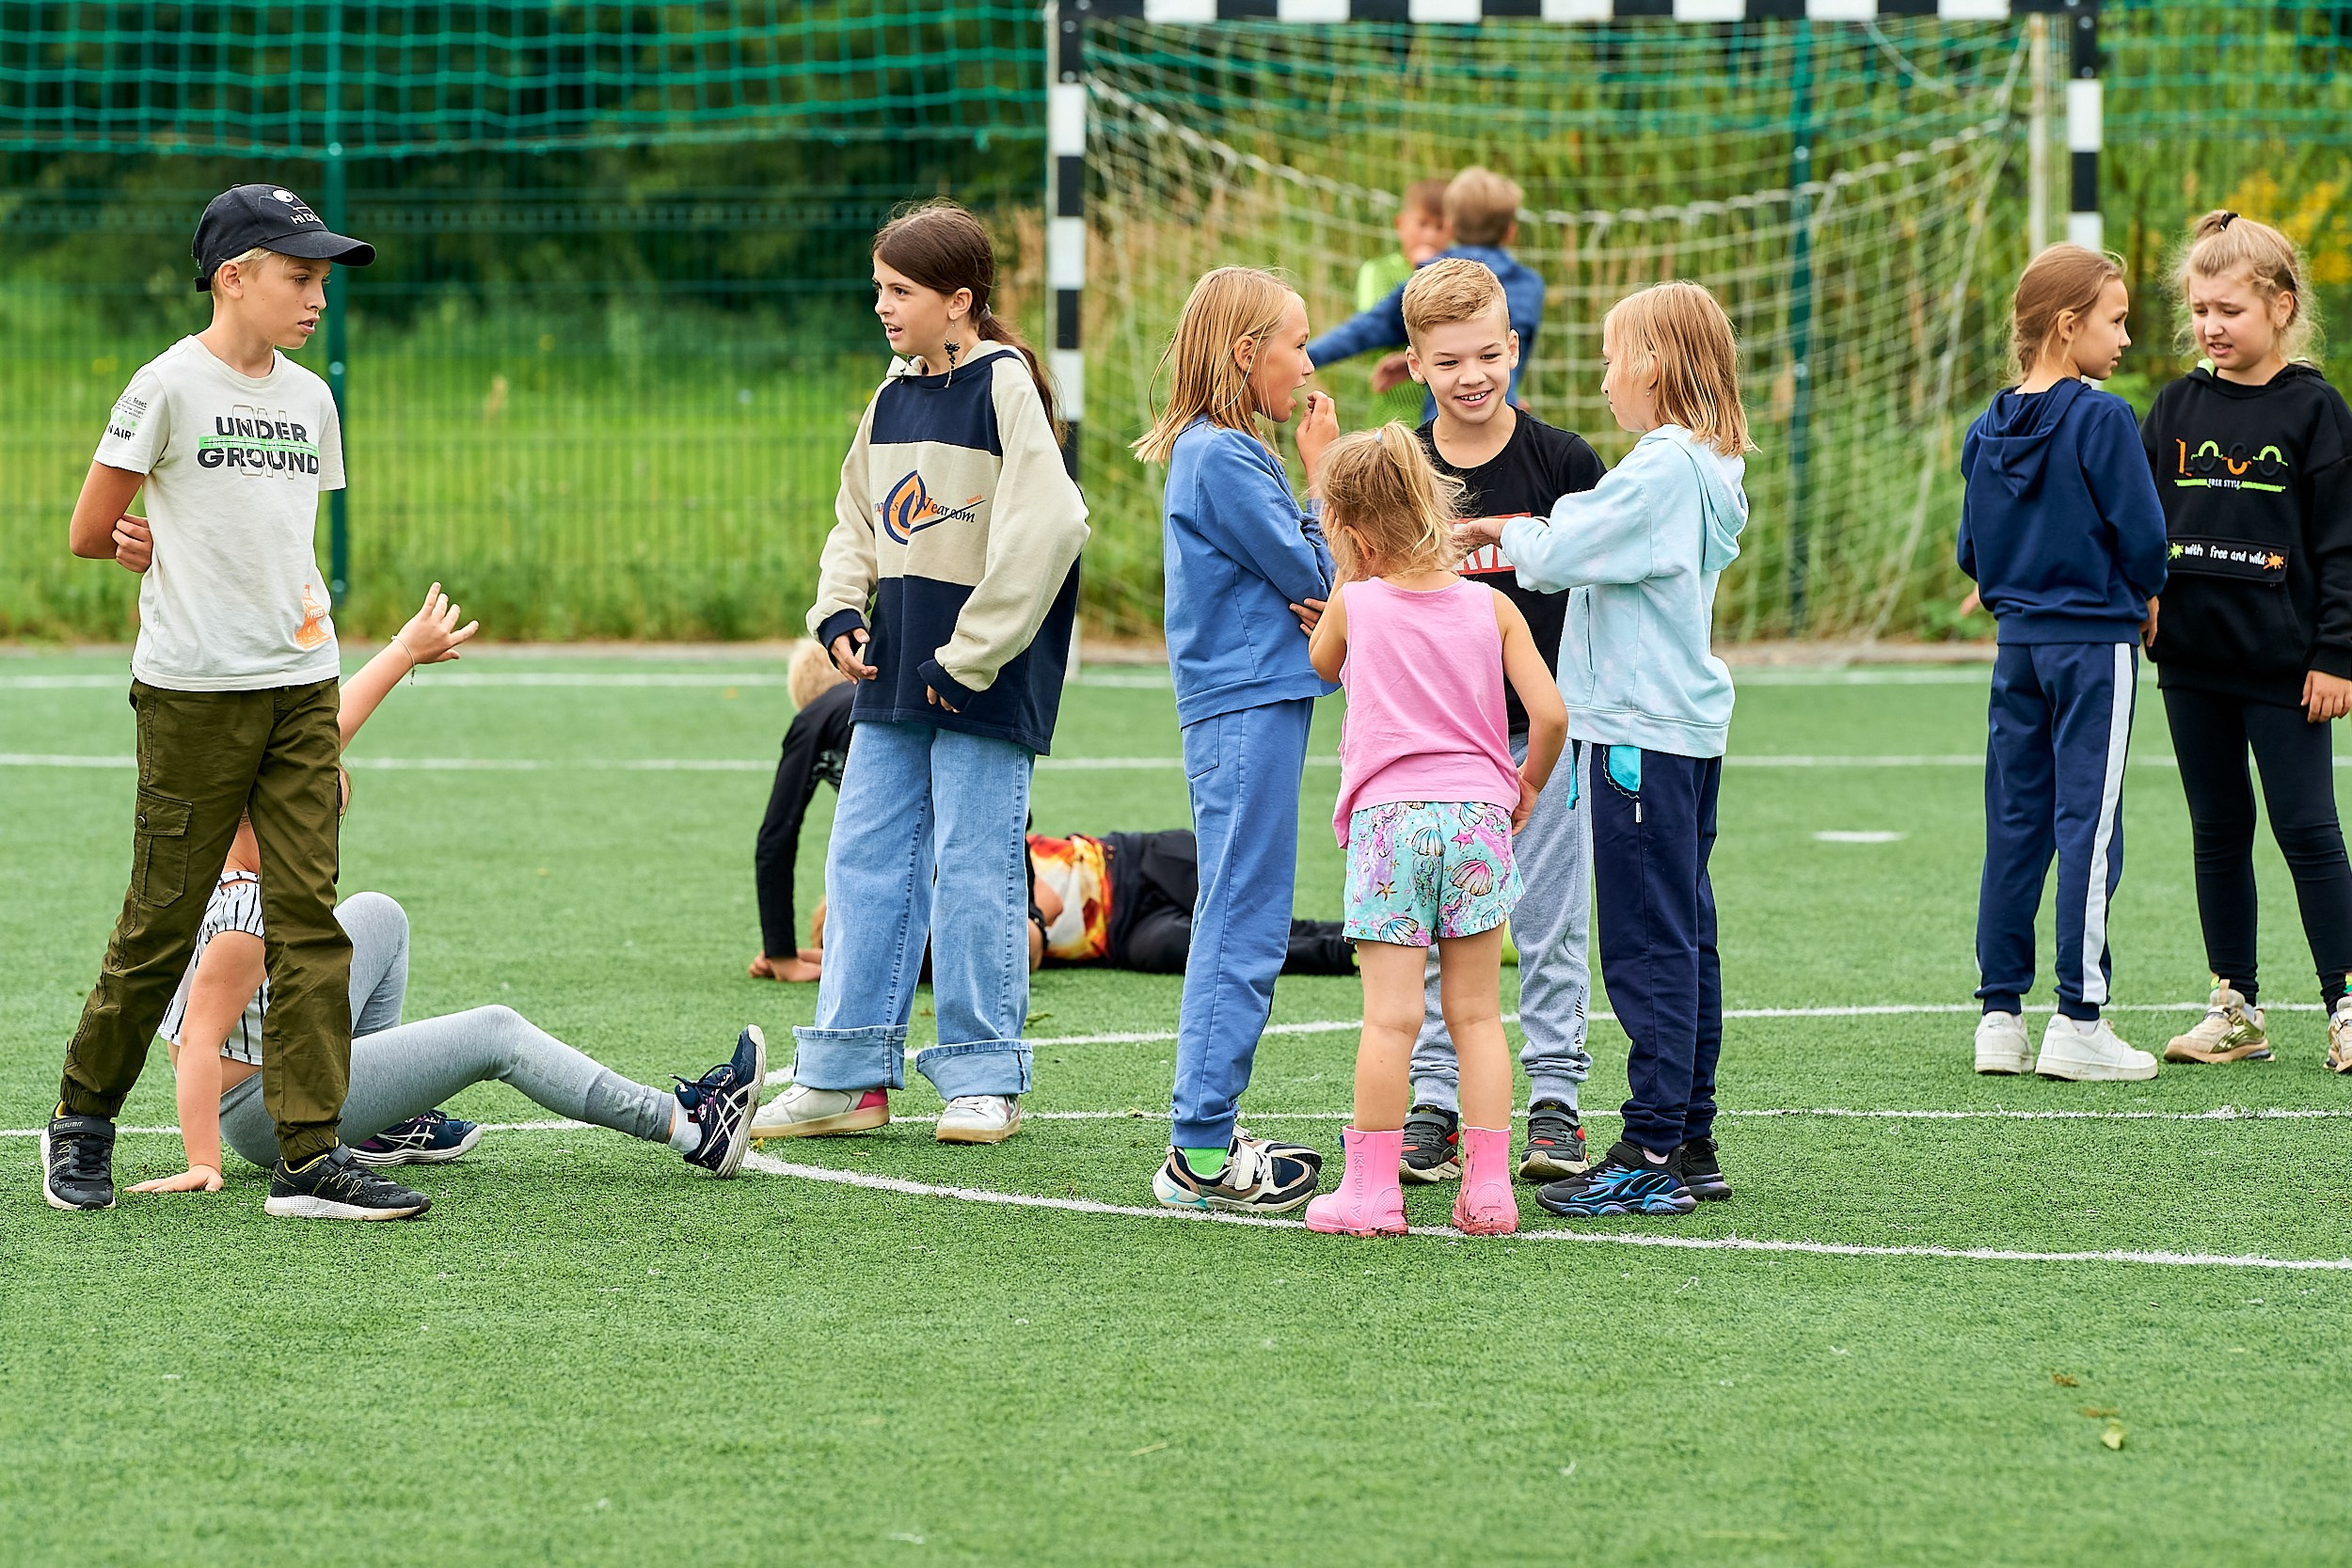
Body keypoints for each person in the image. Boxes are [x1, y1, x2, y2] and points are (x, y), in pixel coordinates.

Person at [40, 182, 408, 1218]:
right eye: (299, 276)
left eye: (324, 280)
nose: (317, 297)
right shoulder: (165, 386)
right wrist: (140, 545)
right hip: (193, 696)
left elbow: (270, 532)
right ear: (232, 277)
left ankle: (307, 1153)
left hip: (302, 681)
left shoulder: (311, 399)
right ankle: (81, 1120)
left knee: (308, 924)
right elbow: (90, 529)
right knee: (161, 921)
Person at [755, 199, 1089, 1148]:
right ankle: (845, 1076)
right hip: (893, 678)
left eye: (898, 291)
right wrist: (838, 612)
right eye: (877, 289)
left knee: (979, 872)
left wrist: (970, 651)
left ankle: (985, 1079)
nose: (882, 308)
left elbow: (1053, 526)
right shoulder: (891, 393)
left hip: (980, 683)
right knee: (861, 861)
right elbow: (855, 520)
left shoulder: (1005, 387)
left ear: (959, 300)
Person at [1459, 280, 1751, 1221]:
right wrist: (1525, 534)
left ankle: (1653, 1142)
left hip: (1634, 736)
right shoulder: (1707, 463)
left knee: (1645, 940)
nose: (1602, 379)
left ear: (1654, 365)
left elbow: (1572, 542)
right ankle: (1689, 1134)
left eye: (1611, 358)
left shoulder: (1662, 468)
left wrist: (1502, 530)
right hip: (1677, 733)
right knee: (1682, 930)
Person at [1301, 427, 1568, 1239]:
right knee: (1478, 1015)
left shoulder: (1356, 600)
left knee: (1390, 1020)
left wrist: (1351, 571)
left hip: (1393, 827)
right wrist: (1524, 787)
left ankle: (1372, 1192)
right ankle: (1488, 1191)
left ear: (1354, 534)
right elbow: (1550, 714)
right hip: (1479, 821)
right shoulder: (1493, 607)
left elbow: (1322, 662)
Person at [1391, 257, 1606, 1185]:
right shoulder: (1402, 465)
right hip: (1438, 748)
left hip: (1542, 738)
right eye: (1447, 361)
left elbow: (1604, 583)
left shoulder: (1564, 463)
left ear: (1513, 345)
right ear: (1412, 363)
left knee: (1551, 922)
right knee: (1444, 927)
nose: (1471, 375)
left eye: (1487, 353)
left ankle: (1554, 1099)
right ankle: (1434, 1100)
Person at [1131, 265, 1340, 1214]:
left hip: (1256, 698)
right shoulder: (1223, 455)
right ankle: (1201, 1152)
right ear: (1246, 352)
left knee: (1244, 905)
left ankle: (1207, 1134)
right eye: (1295, 342)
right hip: (1244, 701)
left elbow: (1312, 593)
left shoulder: (1230, 450)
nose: (1307, 361)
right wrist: (1324, 476)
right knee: (1244, 914)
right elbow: (1313, 575)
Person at [2139, 212, 2352, 1072]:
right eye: (2199, 309)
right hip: (2192, 664)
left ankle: (2345, 1002)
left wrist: (2338, 652)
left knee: (2308, 830)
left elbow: (2341, 544)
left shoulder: (2316, 410)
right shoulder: (2175, 407)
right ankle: (2236, 1006)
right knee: (2218, 830)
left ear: (2281, 306)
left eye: (2229, 309)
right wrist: (2141, 598)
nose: (2211, 327)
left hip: (2289, 669)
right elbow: (2142, 523)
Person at [1955, 245, 2169, 1085]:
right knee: (2092, 821)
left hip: (2019, 651)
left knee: (2015, 824)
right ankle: (2080, 1015)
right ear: (2067, 324)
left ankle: (1999, 1018)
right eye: (2115, 321)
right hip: (2094, 646)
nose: (2124, 338)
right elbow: (2145, 537)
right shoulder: (2104, 418)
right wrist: (2143, 590)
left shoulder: (1986, 425)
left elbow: (1973, 549)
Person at [1306, 167, 1545, 421]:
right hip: (1505, 422)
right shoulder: (1528, 286)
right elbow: (1489, 356)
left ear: (1450, 226)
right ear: (1510, 231)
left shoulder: (1431, 278)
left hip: (1445, 430)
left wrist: (1306, 356)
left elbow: (1365, 330)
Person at [748, 641, 854, 982]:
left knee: (828, 924)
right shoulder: (880, 701)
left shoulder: (816, 719)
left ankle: (849, 958)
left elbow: (776, 836)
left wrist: (782, 955)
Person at [1357, 178, 1452, 429]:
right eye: (1422, 224)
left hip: (1445, 407)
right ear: (1400, 224)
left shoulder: (1454, 272)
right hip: (1392, 409)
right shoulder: (1377, 270)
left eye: (1440, 227)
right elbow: (1378, 326)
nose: (1430, 235)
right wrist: (1419, 273)